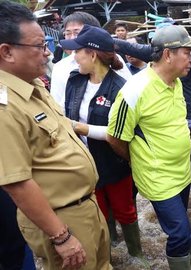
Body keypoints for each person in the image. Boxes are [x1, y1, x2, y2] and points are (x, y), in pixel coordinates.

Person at [0, 2, 111, 269]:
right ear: (7, 52)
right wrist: (60, 236)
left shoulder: (33, 85)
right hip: (63, 220)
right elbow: (17, 182)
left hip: (86, 207)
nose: (48, 53)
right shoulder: (4, 106)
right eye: (39, 46)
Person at [107, 25, 191, 269]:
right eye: (187, 52)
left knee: (182, 219)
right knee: (179, 232)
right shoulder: (134, 91)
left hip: (181, 170)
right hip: (156, 175)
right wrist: (138, 159)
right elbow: (115, 136)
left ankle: (190, 254)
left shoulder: (176, 82)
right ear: (168, 54)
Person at [59, 24, 144, 260]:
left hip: (115, 162)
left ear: (93, 54)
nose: (73, 57)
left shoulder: (120, 88)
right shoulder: (75, 81)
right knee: (98, 211)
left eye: (78, 51)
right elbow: (69, 115)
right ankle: (107, 255)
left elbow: (124, 133)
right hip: (85, 162)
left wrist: (79, 127)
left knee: (125, 210)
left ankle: (137, 255)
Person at [50, 11, 131, 111]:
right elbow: (58, 106)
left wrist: (82, 127)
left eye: (77, 33)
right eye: (67, 33)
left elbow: (130, 99)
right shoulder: (62, 68)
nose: (72, 38)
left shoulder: (114, 64)